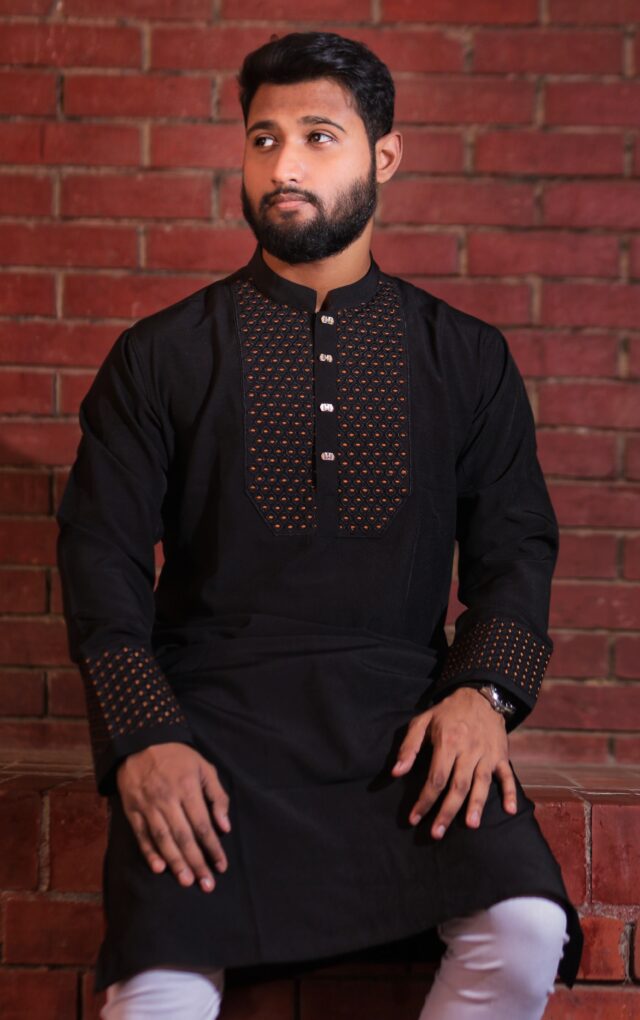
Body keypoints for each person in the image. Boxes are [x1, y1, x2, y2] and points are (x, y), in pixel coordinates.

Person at [55, 30, 584, 1020]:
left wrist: (482, 696)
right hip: (210, 725)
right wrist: (142, 738)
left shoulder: (466, 358)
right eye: (263, 139)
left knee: (524, 926)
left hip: (404, 725)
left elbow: (518, 548)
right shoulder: (160, 356)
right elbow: (100, 563)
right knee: (160, 987)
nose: (284, 166)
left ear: (385, 156)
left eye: (317, 136)